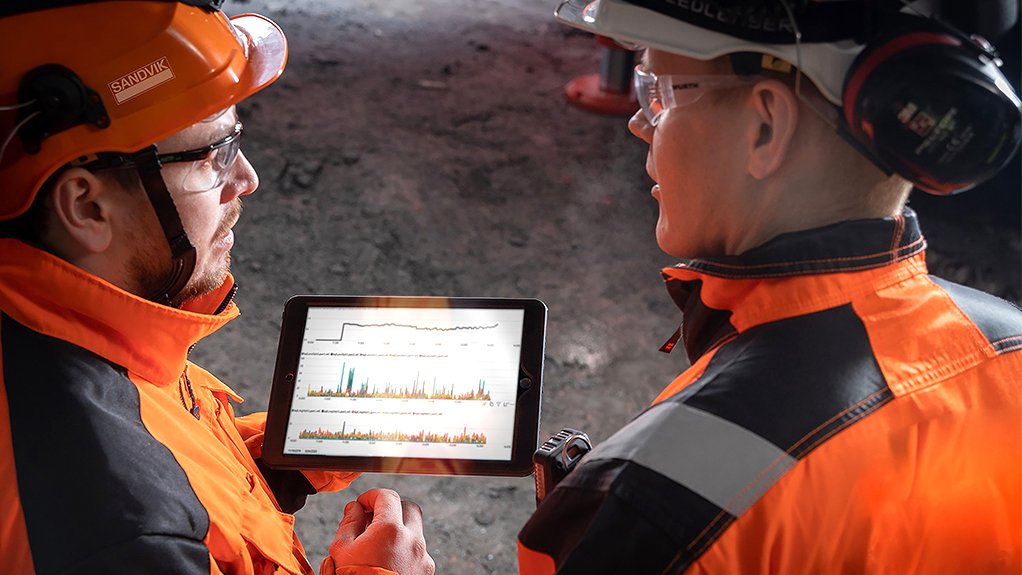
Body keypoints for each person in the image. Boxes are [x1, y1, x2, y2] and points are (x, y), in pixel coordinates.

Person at [518, 0, 1022, 573]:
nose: (639, 122)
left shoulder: (655, 500)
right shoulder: (1011, 346)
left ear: (766, 127)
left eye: (659, 90)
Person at [0, 2, 434, 574]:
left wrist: (278, 459)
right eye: (212, 155)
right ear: (86, 206)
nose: (247, 179)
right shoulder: (127, 540)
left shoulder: (68, 327)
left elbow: (159, 449)